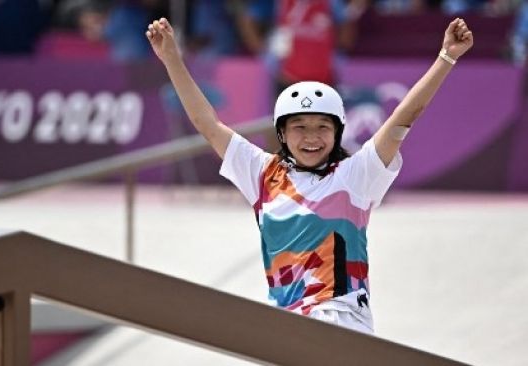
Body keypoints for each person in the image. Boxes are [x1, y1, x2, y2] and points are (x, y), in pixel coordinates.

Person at [145, 17, 473, 333]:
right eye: (299, 127)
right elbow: (208, 124)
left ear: (337, 132)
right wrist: (172, 58)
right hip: (285, 327)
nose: (311, 137)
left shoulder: (357, 175)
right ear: (283, 135)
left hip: (344, 322)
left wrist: (446, 57)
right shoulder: (260, 173)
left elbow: (405, 117)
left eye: (322, 127)